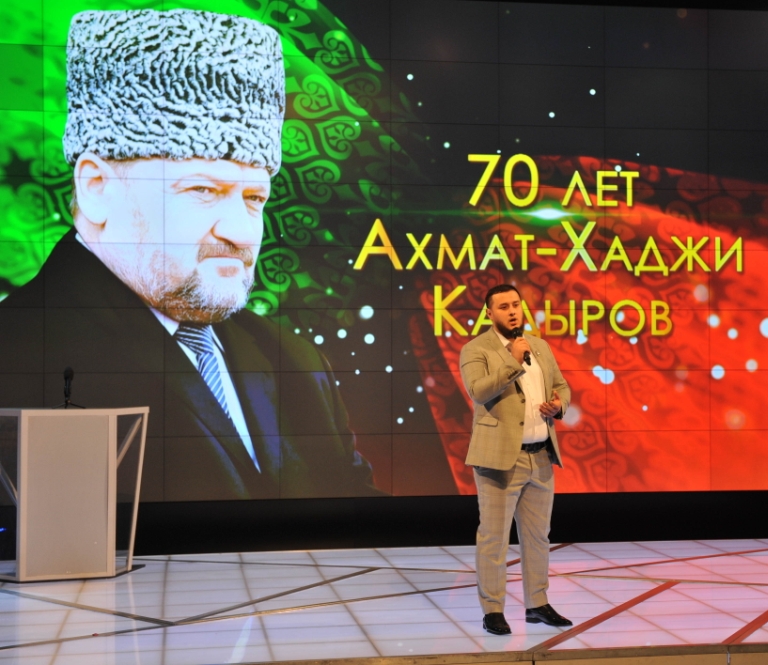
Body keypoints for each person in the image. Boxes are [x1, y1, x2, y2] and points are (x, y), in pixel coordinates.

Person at [0, 9, 376, 500]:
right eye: (202, 190)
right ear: (96, 188)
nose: (240, 232)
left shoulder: (296, 362)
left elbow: (356, 512)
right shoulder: (17, 354)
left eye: (254, 198)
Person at [459, 284, 573, 635]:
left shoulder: (539, 346)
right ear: (489, 313)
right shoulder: (476, 348)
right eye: (503, 307)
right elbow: (478, 391)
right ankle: (493, 610)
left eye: (516, 305)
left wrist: (559, 405)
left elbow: (562, 386)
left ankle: (537, 603)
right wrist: (512, 360)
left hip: (541, 456)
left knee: (538, 537)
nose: (512, 312)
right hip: (498, 460)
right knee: (494, 538)